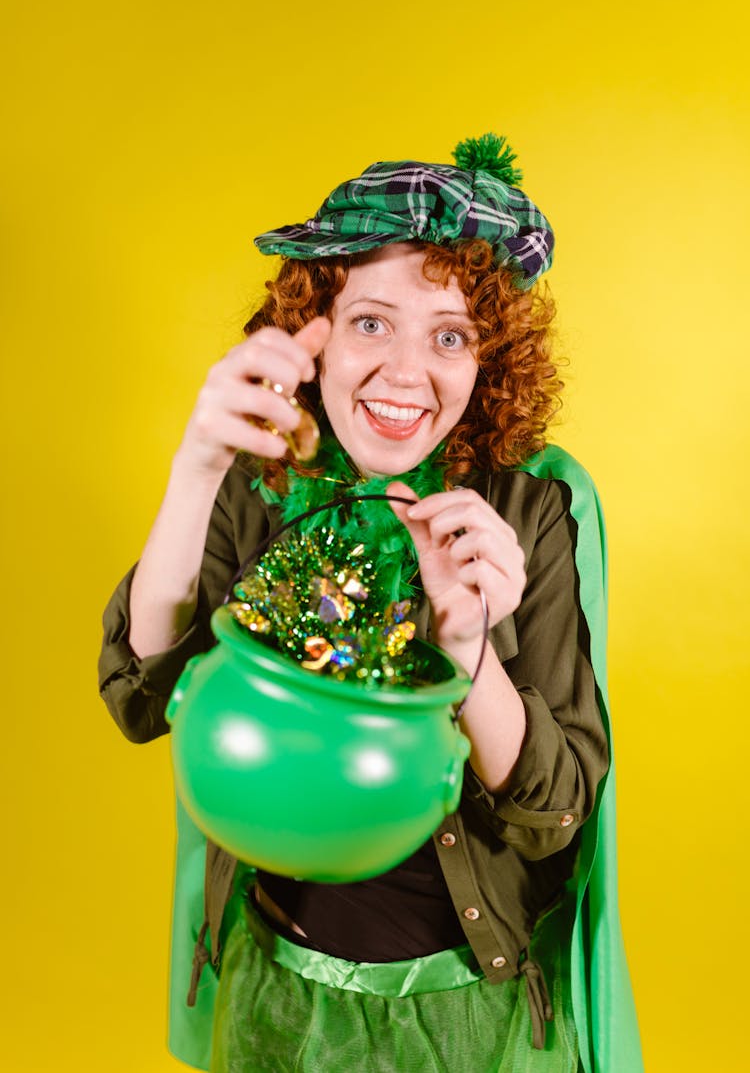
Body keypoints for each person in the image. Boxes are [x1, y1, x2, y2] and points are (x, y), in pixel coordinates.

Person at [99, 135, 642, 1072]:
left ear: (491, 359)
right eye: (371, 322)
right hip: (278, 998)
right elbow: (143, 700)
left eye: (450, 334)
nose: (404, 372)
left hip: (477, 1011)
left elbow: (555, 813)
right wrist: (197, 469)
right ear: (316, 326)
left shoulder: (532, 502)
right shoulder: (262, 473)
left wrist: (470, 648)